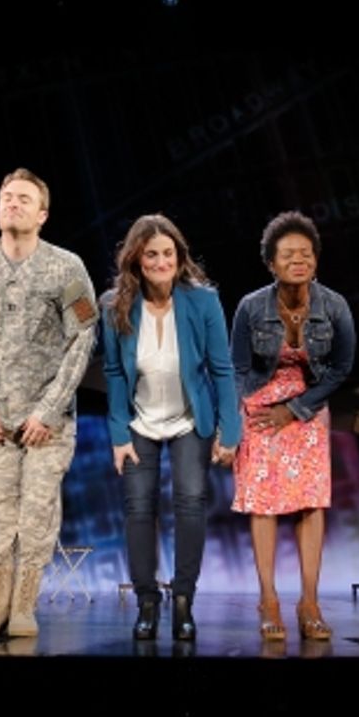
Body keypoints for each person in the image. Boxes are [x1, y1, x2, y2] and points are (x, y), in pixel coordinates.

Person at [0, 168, 97, 638]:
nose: (13, 204)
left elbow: (83, 337)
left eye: (24, 199)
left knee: (38, 512)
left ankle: (25, 605)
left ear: (42, 214)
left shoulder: (67, 267)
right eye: (7, 197)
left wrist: (48, 411)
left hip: (47, 422)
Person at [101, 214, 240, 641]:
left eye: (167, 253)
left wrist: (229, 431)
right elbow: (113, 372)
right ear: (137, 260)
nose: (160, 262)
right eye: (151, 255)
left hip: (188, 420)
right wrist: (119, 435)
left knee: (190, 502)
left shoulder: (203, 301)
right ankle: (147, 601)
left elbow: (221, 369)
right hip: (139, 420)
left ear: (179, 258)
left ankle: (183, 600)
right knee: (139, 507)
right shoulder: (115, 305)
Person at [230, 211, 355, 641]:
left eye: (306, 253)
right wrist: (234, 429)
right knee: (263, 503)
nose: (298, 260)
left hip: (307, 404)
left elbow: (341, 368)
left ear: (316, 261)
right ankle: (268, 599)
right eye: (288, 254)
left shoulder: (334, 306)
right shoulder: (251, 307)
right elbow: (239, 369)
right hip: (260, 407)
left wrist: (297, 409)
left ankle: (309, 602)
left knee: (310, 502)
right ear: (271, 263)